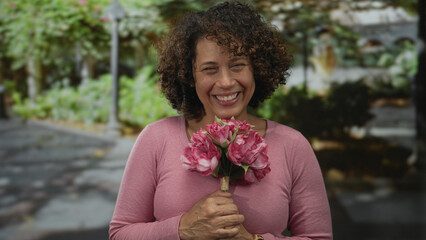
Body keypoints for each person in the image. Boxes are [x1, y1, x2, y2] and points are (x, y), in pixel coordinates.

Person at [109, 1, 332, 239]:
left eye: (237, 65)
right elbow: (120, 233)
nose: (226, 82)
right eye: (210, 69)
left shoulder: (292, 146)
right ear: (189, 75)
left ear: (257, 69)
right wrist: (183, 229)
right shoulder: (156, 138)